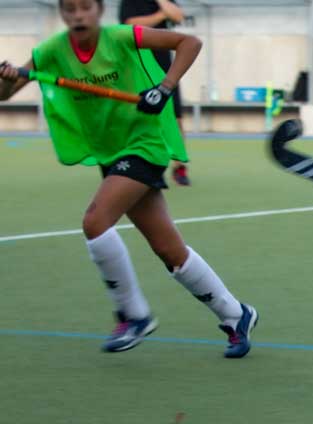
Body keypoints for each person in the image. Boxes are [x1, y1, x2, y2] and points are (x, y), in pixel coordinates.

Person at [0, 0, 257, 358]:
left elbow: (189, 43)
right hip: (110, 153)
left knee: (95, 221)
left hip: (143, 144)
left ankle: (133, 315)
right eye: (69, 9)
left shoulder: (123, 37)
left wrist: (165, 87)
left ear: (99, 10)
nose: (78, 15)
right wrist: (7, 79)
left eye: (85, 7)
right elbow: (5, 93)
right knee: (169, 250)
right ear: (62, 14)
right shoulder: (51, 51)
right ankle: (235, 313)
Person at [118, 0, 190, 185]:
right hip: (138, 67)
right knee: (140, 118)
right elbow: (131, 25)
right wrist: (161, 15)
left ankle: (179, 167)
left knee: (176, 118)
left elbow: (178, 15)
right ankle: (142, 166)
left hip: (166, 69)